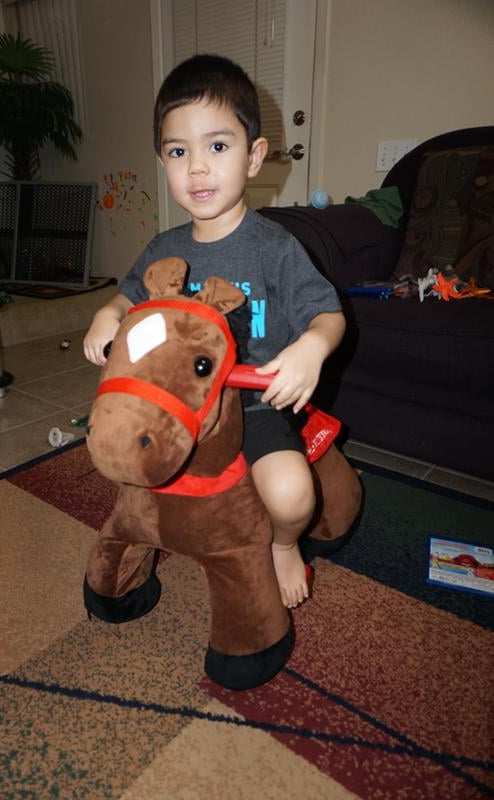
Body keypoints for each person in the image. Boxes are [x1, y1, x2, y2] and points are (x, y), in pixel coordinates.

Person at [84, 54, 346, 609]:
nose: (197, 167)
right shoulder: (163, 248)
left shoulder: (275, 248)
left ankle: (282, 544)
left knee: (292, 494)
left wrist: (311, 348)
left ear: (254, 157)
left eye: (217, 146)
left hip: (253, 409)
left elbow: (329, 315)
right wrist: (109, 314)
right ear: (163, 160)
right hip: (176, 411)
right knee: (134, 477)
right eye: (179, 152)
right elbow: (129, 293)